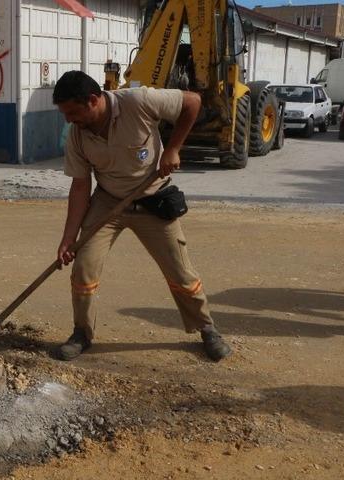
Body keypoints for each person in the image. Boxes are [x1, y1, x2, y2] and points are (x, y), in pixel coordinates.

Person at [52, 70, 231, 362]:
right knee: (83, 267)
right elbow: (81, 186)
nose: (68, 120)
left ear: (93, 100)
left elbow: (193, 102)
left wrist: (173, 149)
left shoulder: (139, 101)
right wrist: (69, 238)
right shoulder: (77, 136)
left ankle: (207, 329)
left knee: (181, 273)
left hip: (152, 199)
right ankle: (81, 333)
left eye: (72, 112)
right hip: (108, 203)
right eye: (65, 114)